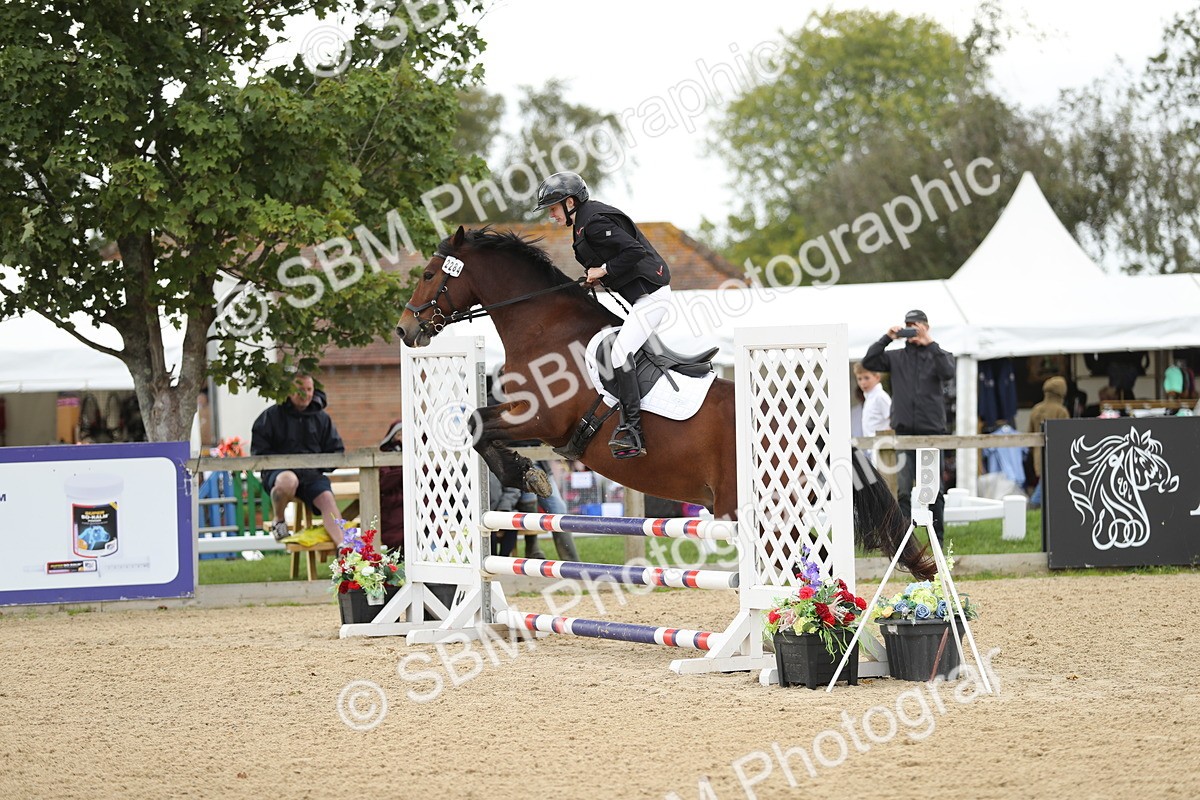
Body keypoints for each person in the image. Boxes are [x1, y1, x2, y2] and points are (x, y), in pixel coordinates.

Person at [535, 171, 672, 459]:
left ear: (570, 202)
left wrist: (604, 271)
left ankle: (632, 431)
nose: (552, 216)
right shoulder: (583, 223)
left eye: (553, 209)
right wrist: (594, 276)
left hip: (653, 298)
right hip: (641, 300)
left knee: (620, 355)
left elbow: (633, 251)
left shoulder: (594, 222)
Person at [862, 309, 955, 535]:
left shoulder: (938, 355)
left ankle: (938, 542)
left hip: (931, 435)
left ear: (926, 327)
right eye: (908, 326)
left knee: (934, 491)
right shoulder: (895, 357)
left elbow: (948, 372)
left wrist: (929, 342)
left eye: (916, 326)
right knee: (903, 491)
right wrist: (888, 337)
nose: (912, 330)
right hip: (903, 436)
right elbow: (869, 360)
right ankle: (906, 545)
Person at [251, 374, 346, 544]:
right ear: (289, 391)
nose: (306, 394)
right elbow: (258, 453)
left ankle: (344, 549)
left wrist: (320, 465)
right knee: (288, 480)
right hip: (279, 475)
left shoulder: (322, 418)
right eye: (300, 390)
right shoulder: (270, 417)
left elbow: (336, 451)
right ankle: (279, 521)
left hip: (311, 475)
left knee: (326, 498)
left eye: (309, 389)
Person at [1027, 376, 1070, 509]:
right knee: (1045, 483)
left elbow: (1029, 434)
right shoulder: (1061, 411)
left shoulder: (1036, 409)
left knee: (1045, 481)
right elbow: (1066, 435)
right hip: (1055, 454)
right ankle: (1033, 505)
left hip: (1038, 454)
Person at [853, 362, 892, 464]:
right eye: (859, 379)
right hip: (872, 446)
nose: (863, 383)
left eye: (866, 378)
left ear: (877, 377)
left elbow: (893, 418)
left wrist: (887, 434)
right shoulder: (869, 397)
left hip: (883, 446)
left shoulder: (880, 397)